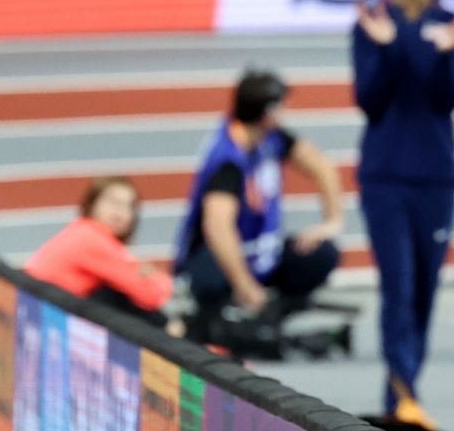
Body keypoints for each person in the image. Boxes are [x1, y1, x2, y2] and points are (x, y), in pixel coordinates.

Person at [353, 0, 454, 428]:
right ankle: (406, 395)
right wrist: (390, 45)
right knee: (397, 284)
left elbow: (447, 100)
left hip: (435, 176)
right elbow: (370, 101)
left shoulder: (453, 26)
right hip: (385, 175)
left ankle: (399, 401)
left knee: (423, 289)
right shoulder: (370, 23)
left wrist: (445, 56)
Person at [175, 70, 345, 340]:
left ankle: (272, 314)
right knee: (213, 273)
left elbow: (323, 168)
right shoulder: (227, 160)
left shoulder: (272, 138)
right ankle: (219, 317)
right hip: (221, 260)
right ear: (267, 113)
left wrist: (331, 223)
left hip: (262, 254)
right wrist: (245, 286)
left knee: (323, 254)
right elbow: (218, 227)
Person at [24, 176, 172, 328]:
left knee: (112, 294)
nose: (120, 212)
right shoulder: (92, 239)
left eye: (129, 206)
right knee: (124, 301)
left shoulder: (80, 230)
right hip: (44, 318)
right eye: (113, 202)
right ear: (92, 204)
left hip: (35, 310)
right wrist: (157, 277)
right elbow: (152, 296)